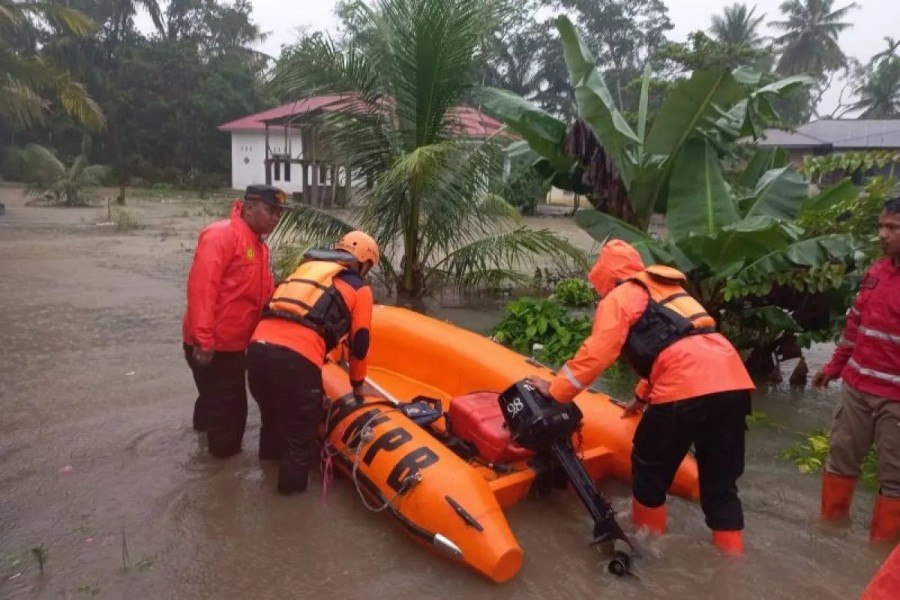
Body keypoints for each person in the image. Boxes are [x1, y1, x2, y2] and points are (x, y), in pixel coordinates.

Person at [527, 239, 755, 554]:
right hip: (733, 385)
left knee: (648, 470)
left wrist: (555, 391)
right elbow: (678, 346)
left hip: (682, 390)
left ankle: (649, 546)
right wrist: (641, 398)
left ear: (605, 276)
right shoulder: (671, 294)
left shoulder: (620, 296)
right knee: (721, 487)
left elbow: (597, 353)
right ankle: (732, 564)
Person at [246, 231, 378, 494]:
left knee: (271, 423)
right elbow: (360, 343)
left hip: (257, 351)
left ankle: (264, 481)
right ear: (363, 262)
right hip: (295, 359)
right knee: (298, 441)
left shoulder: (307, 269)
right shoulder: (359, 288)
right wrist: (357, 386)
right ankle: (289, 514)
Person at [812, 197, 900, 542]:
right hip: (857, 389)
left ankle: (881, 557)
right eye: (881, 226)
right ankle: (829, 536)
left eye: (892, 228)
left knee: (894, 478)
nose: (883, 234)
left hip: (895, 400)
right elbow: (855, 327)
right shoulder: (876, 273)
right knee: (840, 462)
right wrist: (833, 368)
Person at [182, 184, 284, 457]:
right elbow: (202, 289)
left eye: (279, 214)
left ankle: (202, 444)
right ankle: (221, 475)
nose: (275, 219)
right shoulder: (221, 235)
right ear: (248, 207)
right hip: (215, 345)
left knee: (214, 400)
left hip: (236, 344)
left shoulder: (259, 246)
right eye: (270, 211)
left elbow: (264, 295)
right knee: (231, 412)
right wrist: (203, 340)